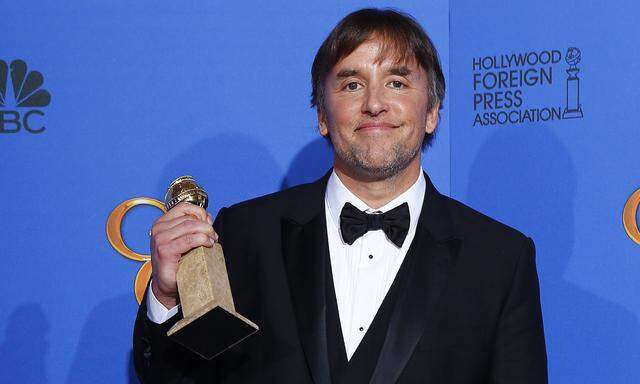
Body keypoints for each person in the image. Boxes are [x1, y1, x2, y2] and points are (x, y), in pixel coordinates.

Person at [133, 8, 547, 383]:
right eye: (351, 84)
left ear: (433, 112)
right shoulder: (243, 235)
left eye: (397, 83)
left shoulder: (499, 259)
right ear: (321, 116)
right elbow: (178, 379)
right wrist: (168, 298)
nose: (374, 104)